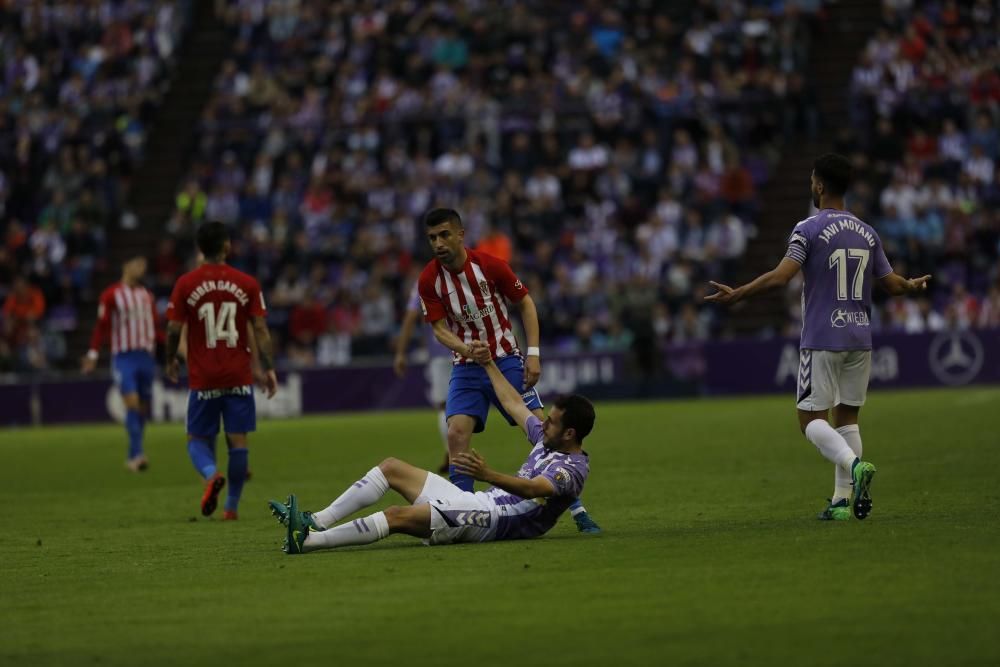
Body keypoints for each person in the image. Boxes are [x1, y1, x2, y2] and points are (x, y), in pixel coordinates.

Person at [705, 154, 931, 521]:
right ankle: (842, 502)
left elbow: (781, 277)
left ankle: (855, 467)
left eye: (812, 180)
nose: (811, 185)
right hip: (860, 337)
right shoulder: (867, 232)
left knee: (809, 420)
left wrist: (739, 294)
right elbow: (892, 285)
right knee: (847, 420)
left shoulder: (807, 228)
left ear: (821, 186)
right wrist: (912, 284)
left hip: (823, 336)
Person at [269, 340, 595, 554]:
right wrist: (488, 364)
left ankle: (310, 542)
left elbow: (530, 489)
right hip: (480, 502)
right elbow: (512, 402)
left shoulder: (572, 470)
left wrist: (487, 473)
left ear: (570, 434)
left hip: (491, 521)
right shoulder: (546, 439)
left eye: (551, 421)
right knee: (392, 467)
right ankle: (316, 521)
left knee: (397, 516)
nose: (544, 422)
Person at [416, 207, 600, 533]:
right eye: (432, 238)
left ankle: (577, 510)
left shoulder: (491, 266)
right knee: (457, 434)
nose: (439, 243)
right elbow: (439, 330)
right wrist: (464, 349)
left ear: (460, 234)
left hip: (506, 359)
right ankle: (462, 511)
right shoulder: (429, 279)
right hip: (466, 365)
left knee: (544, 432)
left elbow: (525, 303)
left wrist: (533, 354)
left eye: (444, 235)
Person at [165, 222, 278, 520]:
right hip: (239, 375)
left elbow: (174, 328)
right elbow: (261, 328)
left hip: (204, 377)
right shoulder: (247, 283)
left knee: (196, 440)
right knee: (238, 442)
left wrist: (169, 360)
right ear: (227, 246)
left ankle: (211, 474)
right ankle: (231, 507)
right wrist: (267, 368)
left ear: (200, 249)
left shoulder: (186, 284)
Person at [82, 257, 159, 472]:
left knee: (143, 407)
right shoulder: (112, 294)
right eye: (137, 264)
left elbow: (155, 327)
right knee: (132, 403)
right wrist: (93, 354)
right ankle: (137, 454)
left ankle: (133, 453)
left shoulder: (147, 295)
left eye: (144, 265)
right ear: (126, 266)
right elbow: (102, 326)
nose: (142, 268)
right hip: (124, 357)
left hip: (146, 357)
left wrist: (170, 353)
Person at [393, 281, 452, 474]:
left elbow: (410, 317)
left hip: (440, 351)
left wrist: (401, 352)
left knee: (445, 406)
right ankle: (456, 453)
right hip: (466, 347)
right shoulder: (461, 272)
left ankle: (453, 453)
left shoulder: (423, 282)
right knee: (463, 405)